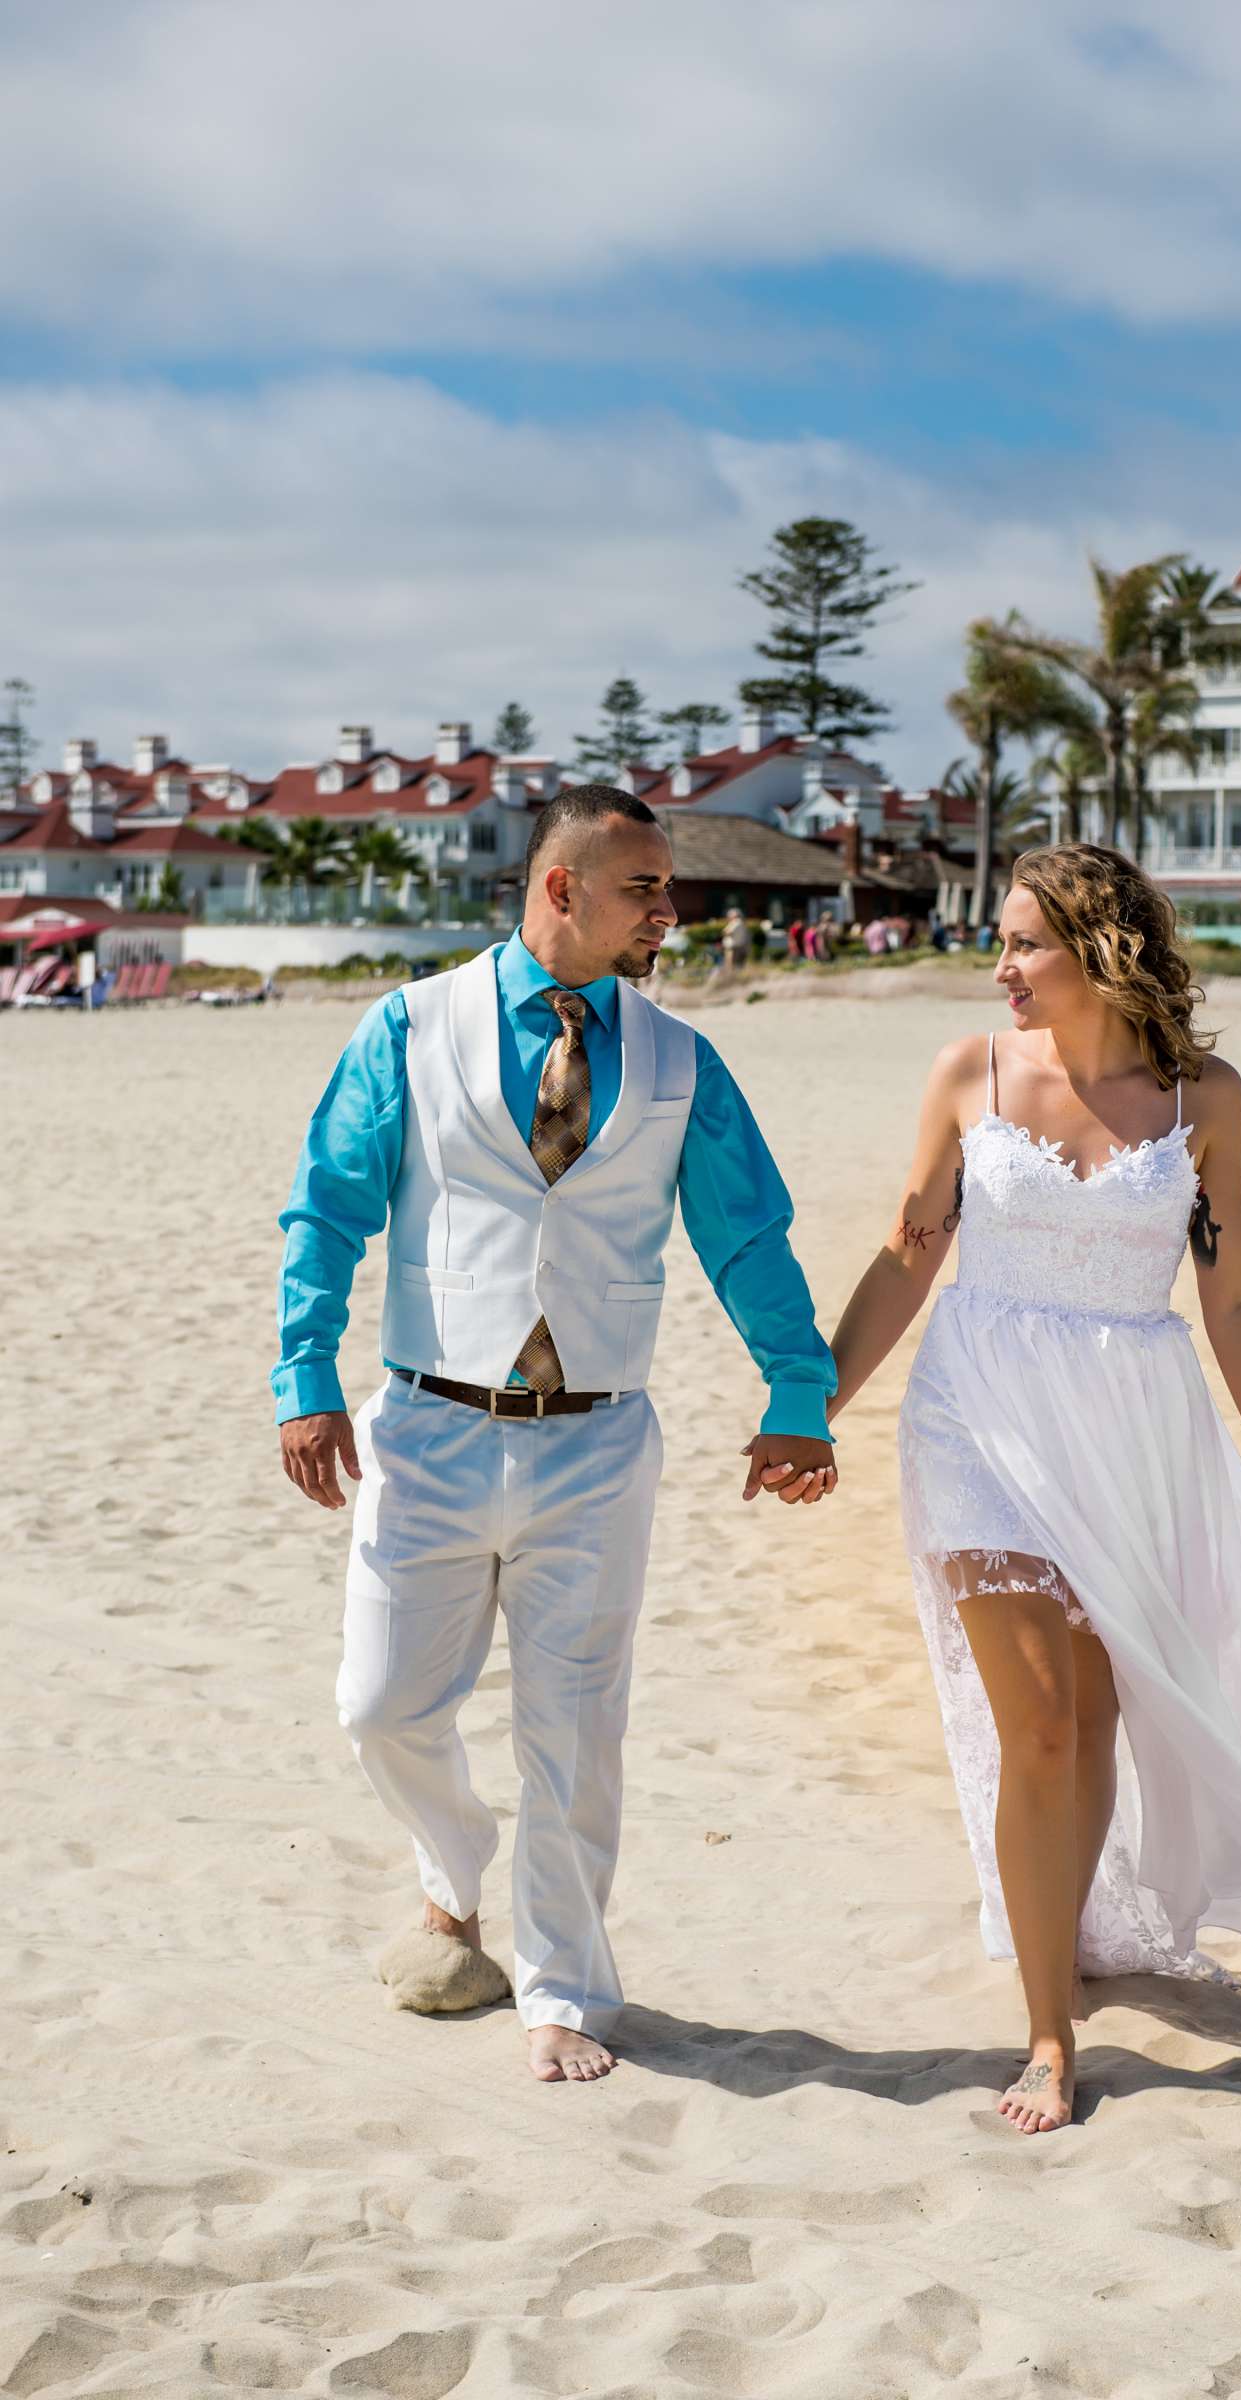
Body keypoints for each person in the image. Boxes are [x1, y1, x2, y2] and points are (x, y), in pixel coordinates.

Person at [826, 843, 1241, 2136]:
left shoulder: (1203, 1098)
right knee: (1043, 1722)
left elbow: (1233, 1294)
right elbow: (907, 1255)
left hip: (1134, 1426)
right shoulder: (970, 1073)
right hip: (979, 1414)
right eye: (996, 944)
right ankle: (1051, 2035)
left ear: (1099, 948)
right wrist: (804, 1405)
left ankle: (1081, 1929)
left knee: (1103, 1712)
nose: (999, 968)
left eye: (1021, 945)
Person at [274, 787, 839, 2087]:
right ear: (560, 890)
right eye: (645, 885)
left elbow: (746, 1237)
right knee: (379, 1708)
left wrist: (793, 1394)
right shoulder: (410, 1028)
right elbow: (328, 1208)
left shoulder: (685, 1061)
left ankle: (563, 1989)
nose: (669, 907)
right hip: (426, 1427)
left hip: (596, 1440)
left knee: (577, 1733)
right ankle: (450, 1870)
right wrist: (304, 1372)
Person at [720, 904, 750, 972]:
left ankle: (733, 977)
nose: (728, 917)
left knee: (733, 966)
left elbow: (726, 932)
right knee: (736, 965)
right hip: (735, 947)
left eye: (729, 916)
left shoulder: (736, 923)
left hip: (735, 948)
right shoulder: (738, 923)